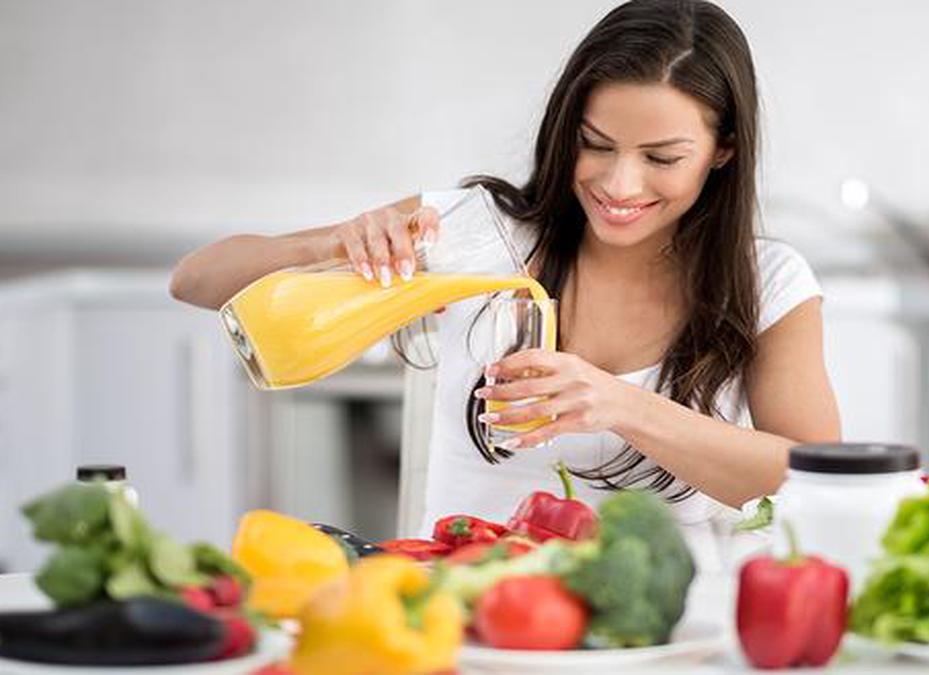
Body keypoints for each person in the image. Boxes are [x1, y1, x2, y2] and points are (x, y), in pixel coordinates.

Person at [170, 0, 840, 568]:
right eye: (595, 143)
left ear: (724, 150)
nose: (618, 184)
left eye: (661, 158)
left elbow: (819, 475)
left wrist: (620, 405)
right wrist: (332, 244)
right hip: (466, 616)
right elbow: (196, 280)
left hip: (663, 636)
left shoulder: (765, 282)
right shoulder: (480, 234)